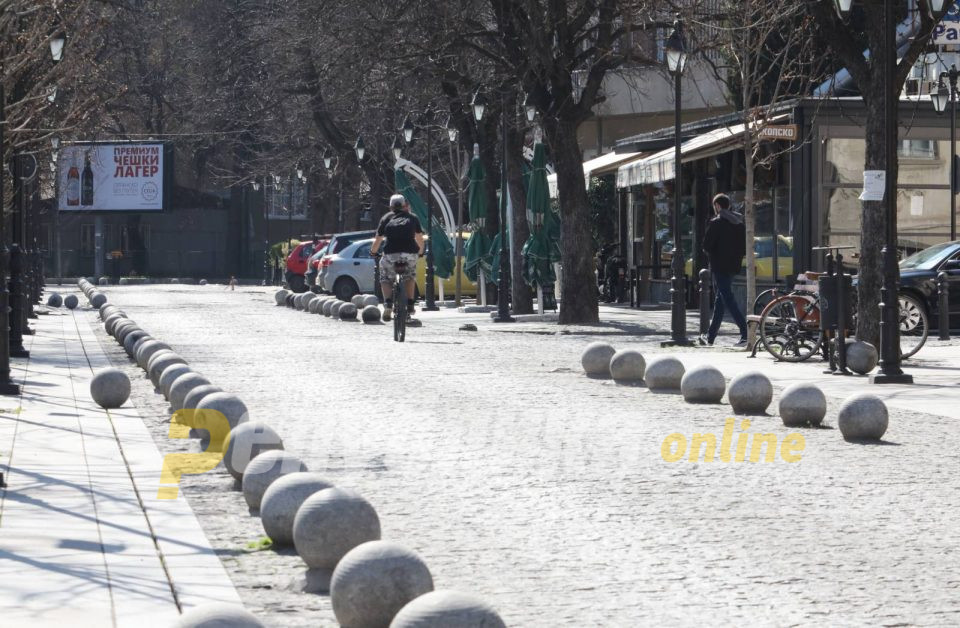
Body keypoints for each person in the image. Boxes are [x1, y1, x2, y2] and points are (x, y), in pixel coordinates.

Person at [701, 193, 748, 346]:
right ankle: (710, 337)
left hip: (719, 267)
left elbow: (706, 246)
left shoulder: (716, 223)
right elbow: (744, 248)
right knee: (720, 301)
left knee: (727, 299)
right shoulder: (739, 223)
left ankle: (745, 332)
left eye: (714, 206)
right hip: (734, 266)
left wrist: (714, 253)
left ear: (718, 206)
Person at [369, 194, 424, 322]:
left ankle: (388, 303)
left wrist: (373, 252)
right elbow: (419, 238)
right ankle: (410, 304)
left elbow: (378, 239)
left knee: (385, 277)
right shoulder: (412, 218)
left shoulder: (386, 218)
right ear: (405, 205)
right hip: (409, 253)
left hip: (390, 254)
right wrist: (420, 252)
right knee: (410, 276)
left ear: (391, 206)